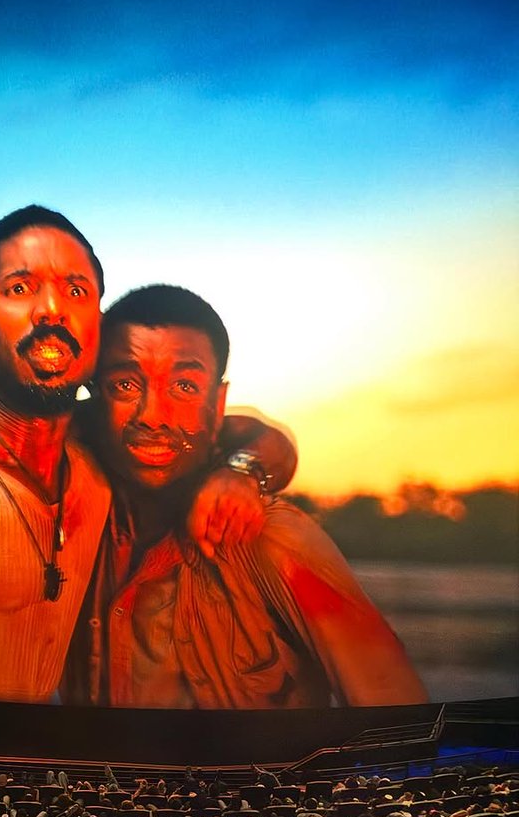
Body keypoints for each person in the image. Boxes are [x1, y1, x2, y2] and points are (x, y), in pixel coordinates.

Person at [0, 207, 293, 701]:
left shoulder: (97, 443)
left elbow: (247, 431)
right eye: (19, 288)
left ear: (97, 324)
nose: (52, 310)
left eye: (75, 291)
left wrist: (243, 471)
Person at [64, 284, 427, 708]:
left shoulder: (272, 537)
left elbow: (395, 714)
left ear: (218, 405)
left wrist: (244, 468)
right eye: (125, 385)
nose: (152, 417)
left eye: (184, 387)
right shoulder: (71, 526)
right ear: (95, 397)